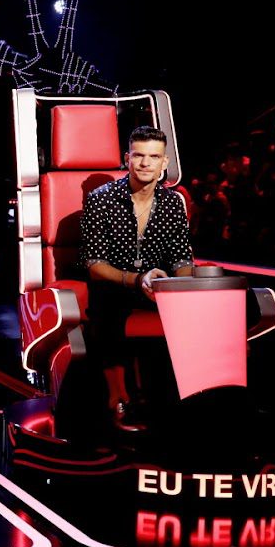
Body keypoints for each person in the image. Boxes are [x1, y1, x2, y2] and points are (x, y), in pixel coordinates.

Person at [79, 125, 194, 431]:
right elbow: (94, 264)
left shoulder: (173, 203)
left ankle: (192, 397)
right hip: (116, 284)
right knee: (106, 303)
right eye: (139, 155)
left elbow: (182, 258)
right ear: (127, 158)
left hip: (157, 285)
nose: (145, 163)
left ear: (164, 162)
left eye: (153, 157)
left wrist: (182, 287)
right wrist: (138, 279)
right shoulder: (100, 199)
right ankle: (118, 398)